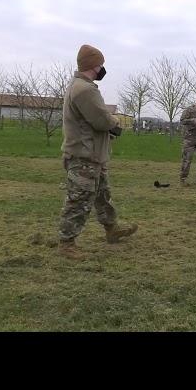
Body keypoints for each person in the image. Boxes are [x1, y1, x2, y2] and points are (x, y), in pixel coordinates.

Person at [57, 44, 138, 258]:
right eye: (101, 64)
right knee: (79, 199)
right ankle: (67, 243)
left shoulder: (79, 86)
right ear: (94, 65)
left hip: (93, 156)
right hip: (84, 157)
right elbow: (102, 120)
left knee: (102, 195)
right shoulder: (85, 89)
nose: (103, 68)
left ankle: (112, 229)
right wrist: (115, 122)